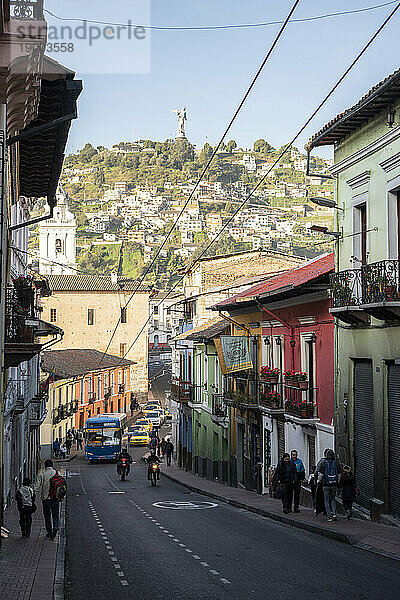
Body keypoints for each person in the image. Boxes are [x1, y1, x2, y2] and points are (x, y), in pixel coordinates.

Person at [34, 459, 59, 540]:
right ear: (52, 465)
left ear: (45, 466)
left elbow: (36, 487)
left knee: (47, 516)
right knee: (55, 515)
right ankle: (55, 527)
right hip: (55, 498)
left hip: (46, 499)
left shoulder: (42, 474)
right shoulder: (57, 473)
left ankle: (49, 532)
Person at [316, 448, 342, 522]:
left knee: (326, 500)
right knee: (333, 499)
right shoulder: (336, 462)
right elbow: (339, 474)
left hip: (326, 484)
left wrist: (319, 481)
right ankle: (334, 514)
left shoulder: (324, 463)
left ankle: (329, 516)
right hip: (334, 484)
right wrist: (337, 482)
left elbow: (321, 474)